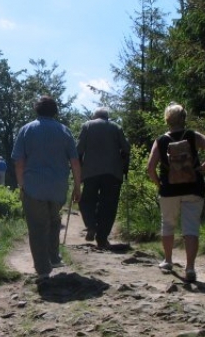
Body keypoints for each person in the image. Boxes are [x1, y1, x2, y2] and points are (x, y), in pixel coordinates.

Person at [147, 102, 205, 282]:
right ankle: (190, 268)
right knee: (191, 227)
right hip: (193, 187)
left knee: (168, 224)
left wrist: (159, 183)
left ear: (167, 119)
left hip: (169, 189)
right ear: (183, 118)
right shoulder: (192, 136)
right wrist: (204, 167)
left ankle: (168, 260)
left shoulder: (161, 140)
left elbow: (150, 167)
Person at [12, 95, 82, 283]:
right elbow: (74, 162)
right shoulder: (64, 131)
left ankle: (43, 269)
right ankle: (53, 257)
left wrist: (21, 185)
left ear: (36, 109)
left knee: (37, 227)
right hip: (58, 187)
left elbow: (19, 161)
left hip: (33, 186)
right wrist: (77, 186)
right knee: (53, 221)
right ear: (55, 111)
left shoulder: (26, 130)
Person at [76, 107, 131, 249]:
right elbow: (126, 148)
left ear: (95, 116)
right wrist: (124, 166)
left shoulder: (87, 126)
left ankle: (91, 225)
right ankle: (102, 239)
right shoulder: (116, 127)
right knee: (109, 205)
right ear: (107, 117)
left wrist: (78, 169)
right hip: (113, 173)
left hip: (90, 172)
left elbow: (79, 150)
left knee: (86, 200)